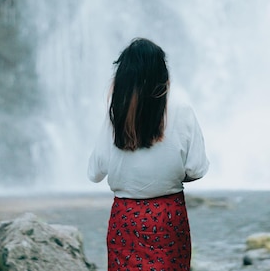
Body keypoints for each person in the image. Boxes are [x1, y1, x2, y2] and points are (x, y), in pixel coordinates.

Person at [87, 37, 209, 271]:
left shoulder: (115, 116)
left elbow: (95, 172)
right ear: (162, 75)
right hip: (168, 217)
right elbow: (197, 168)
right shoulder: (182, 109)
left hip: (125, 218)